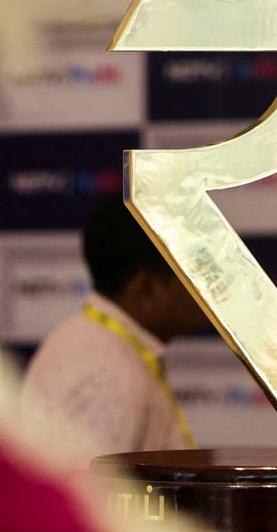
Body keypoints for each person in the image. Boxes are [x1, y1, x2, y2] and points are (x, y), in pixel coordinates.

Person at [19, 193, 210, 467]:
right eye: (195, 271)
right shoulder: (108, 376)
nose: (208, 286)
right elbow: (89, 493)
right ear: (147, 287)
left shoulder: (105, 347)